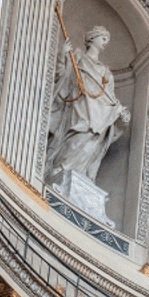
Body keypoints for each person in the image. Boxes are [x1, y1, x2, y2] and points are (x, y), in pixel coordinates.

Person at [46, 24, 131, 187]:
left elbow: (110, 98)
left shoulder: (106, 72)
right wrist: (62, 56)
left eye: (107, 39)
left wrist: (120, 113)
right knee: (78, 134)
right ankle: (61, 169)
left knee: (92, 139)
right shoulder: (77, 56)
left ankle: (78, 175)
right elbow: (61, 77)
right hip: (80, 106)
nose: (105, 42)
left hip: (99, 113)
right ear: (92, 38)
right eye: (103, 37)